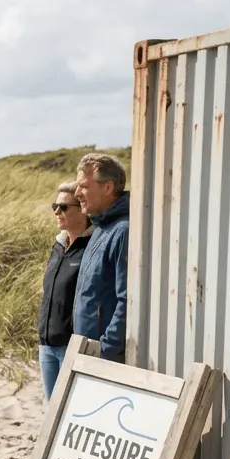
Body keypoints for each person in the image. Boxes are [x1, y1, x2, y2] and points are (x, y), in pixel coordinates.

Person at [72, 152, 131, 364]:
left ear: (108, 187)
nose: (77, 193)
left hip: (103, 358)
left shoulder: (122, 231)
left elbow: (127, 301)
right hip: (87, 353)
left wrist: (106, 351)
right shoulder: (99, 228)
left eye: (84, 186)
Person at [37, 181, 91, 398]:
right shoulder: (58, 245)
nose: (57, 212)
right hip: (46, 345)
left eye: (64, 207)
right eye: (55, 207)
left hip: (71, 347)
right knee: (51, 411)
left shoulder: (91, 247)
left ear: (82, 210)